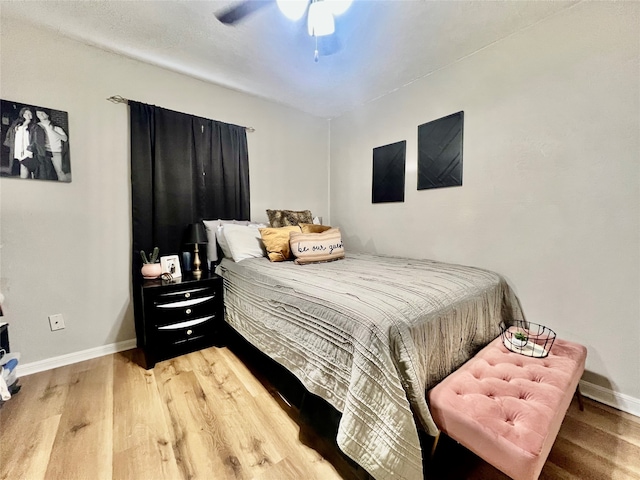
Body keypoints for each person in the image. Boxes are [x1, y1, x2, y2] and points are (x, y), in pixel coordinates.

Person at [3, 107, 38, 178]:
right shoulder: (18, 124)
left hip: (29, 149)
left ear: (32, 115)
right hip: (19, 149)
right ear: (22, 114)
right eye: (25, 113)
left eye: (29, 113)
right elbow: (14, 136)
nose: (27, 115)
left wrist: (30, 150)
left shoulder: (34, 126)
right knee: (24, 167)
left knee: (31, 169)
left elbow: (34, 139)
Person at [35, 108, 69, 181]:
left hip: (55, 151)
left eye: (42, 113)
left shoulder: (56, 127)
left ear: (47, 115)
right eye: (38, 113)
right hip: (44, 152)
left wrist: (52, 131)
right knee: (46, 174)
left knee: (59, 171)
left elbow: (65, 138)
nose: (40, 115)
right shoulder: (37, 126)